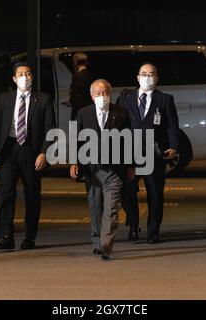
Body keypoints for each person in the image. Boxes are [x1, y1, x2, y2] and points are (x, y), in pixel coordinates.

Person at [0, 61, 55, 250]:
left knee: (32, 195)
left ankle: (30, 236)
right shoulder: (5, 99)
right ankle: (6, 236)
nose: (24, 78)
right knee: (6, 193)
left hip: (31, 152)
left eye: (28, 74)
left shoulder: (43, 99)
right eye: (20, 74)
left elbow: (50, 129)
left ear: (32, 77)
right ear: (13, 78)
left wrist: (44, 152)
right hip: (10, 150)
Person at [70, 79, 134, 260]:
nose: (102, 96)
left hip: (115, 169)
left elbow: (129, 140)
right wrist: (75, 162)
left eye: (105, 93)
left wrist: (131, 165)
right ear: (92, 96)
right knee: (95, 205)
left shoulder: (121, 113)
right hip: (93, 169)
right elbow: (78, 140)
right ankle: (97, 240)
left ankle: (107, 243)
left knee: (112, 208)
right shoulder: (84, 113)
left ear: (110, 94)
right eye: (98, 94)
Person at [117, 63, 179, 244]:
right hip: (131, 154)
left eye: (151, 74)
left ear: (157, 78)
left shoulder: (165, 99)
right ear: (137, 77)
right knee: (128, 192)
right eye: (144, 74)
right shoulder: (126, 98)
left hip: (154, 155)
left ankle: (154, 231)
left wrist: (173, 147)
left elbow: (172, 126)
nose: (147, 77)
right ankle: (134, 225)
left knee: (155, 195)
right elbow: (120, 125)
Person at [69, 52, 94, 120]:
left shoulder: (77, 76)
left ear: (75, 62)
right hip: (89, 107)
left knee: (75, 129)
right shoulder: (90, 75)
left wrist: (71, 101)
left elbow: (77, 96)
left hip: (79, 109)